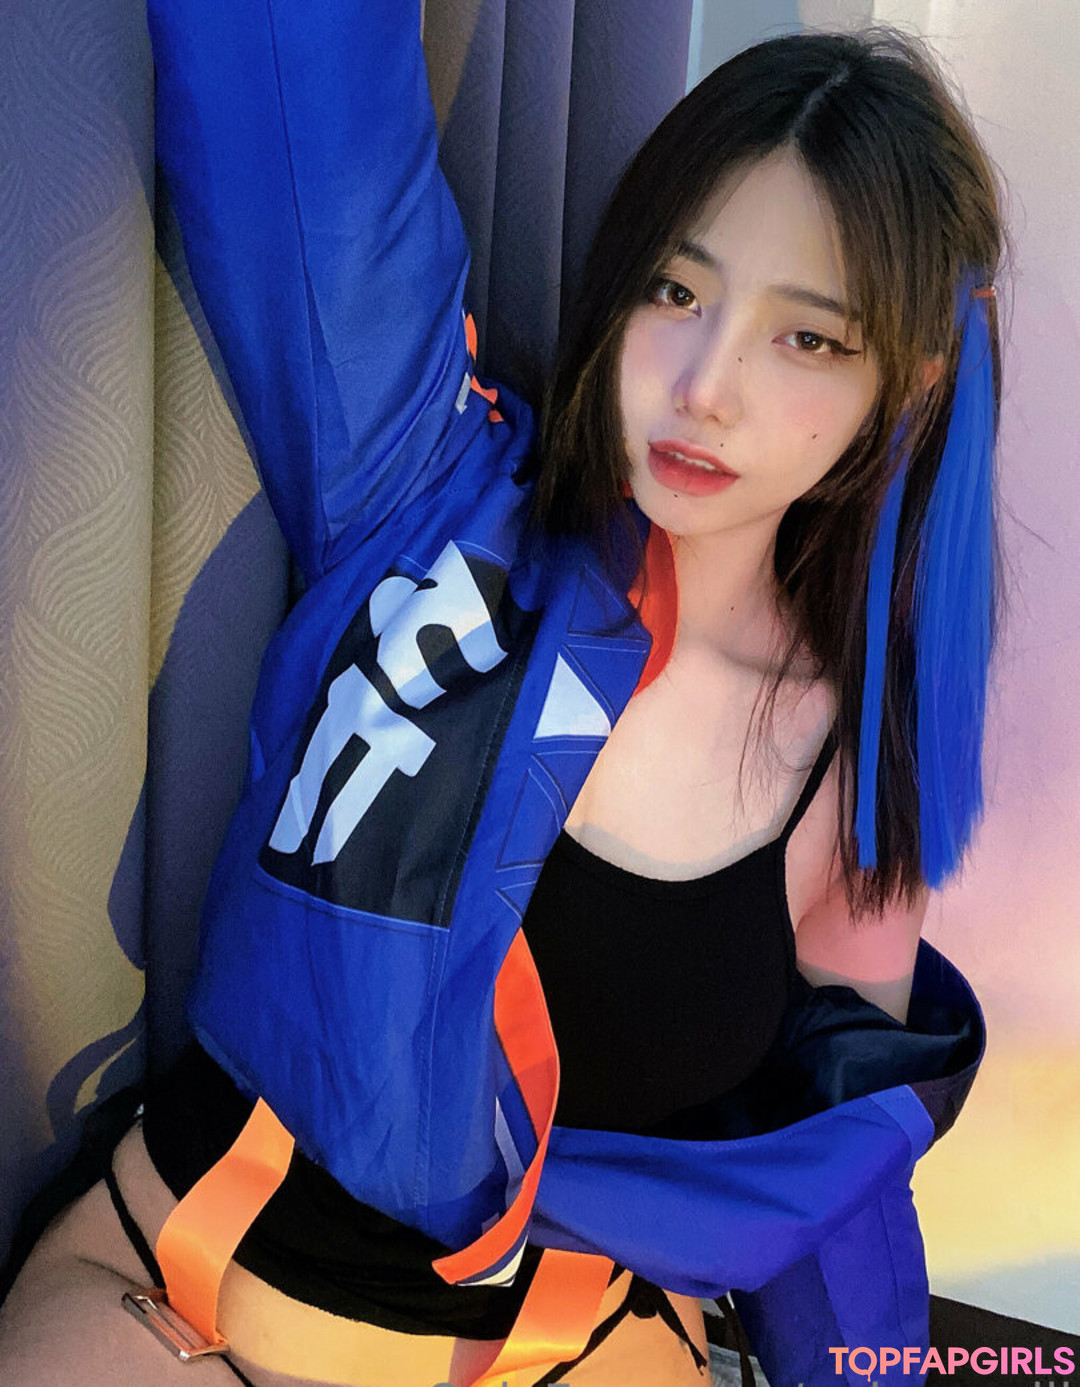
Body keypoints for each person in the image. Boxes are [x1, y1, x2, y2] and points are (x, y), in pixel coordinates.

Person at [0, 2, 1001, 1384]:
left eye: (808, 339)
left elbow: (836, 1175)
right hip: (191, 1303)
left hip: (571, 1347)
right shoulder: (432, 505)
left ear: (907, 389)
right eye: (678, 292)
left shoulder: (850, 768)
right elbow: (299, 94)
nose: (706, 387)